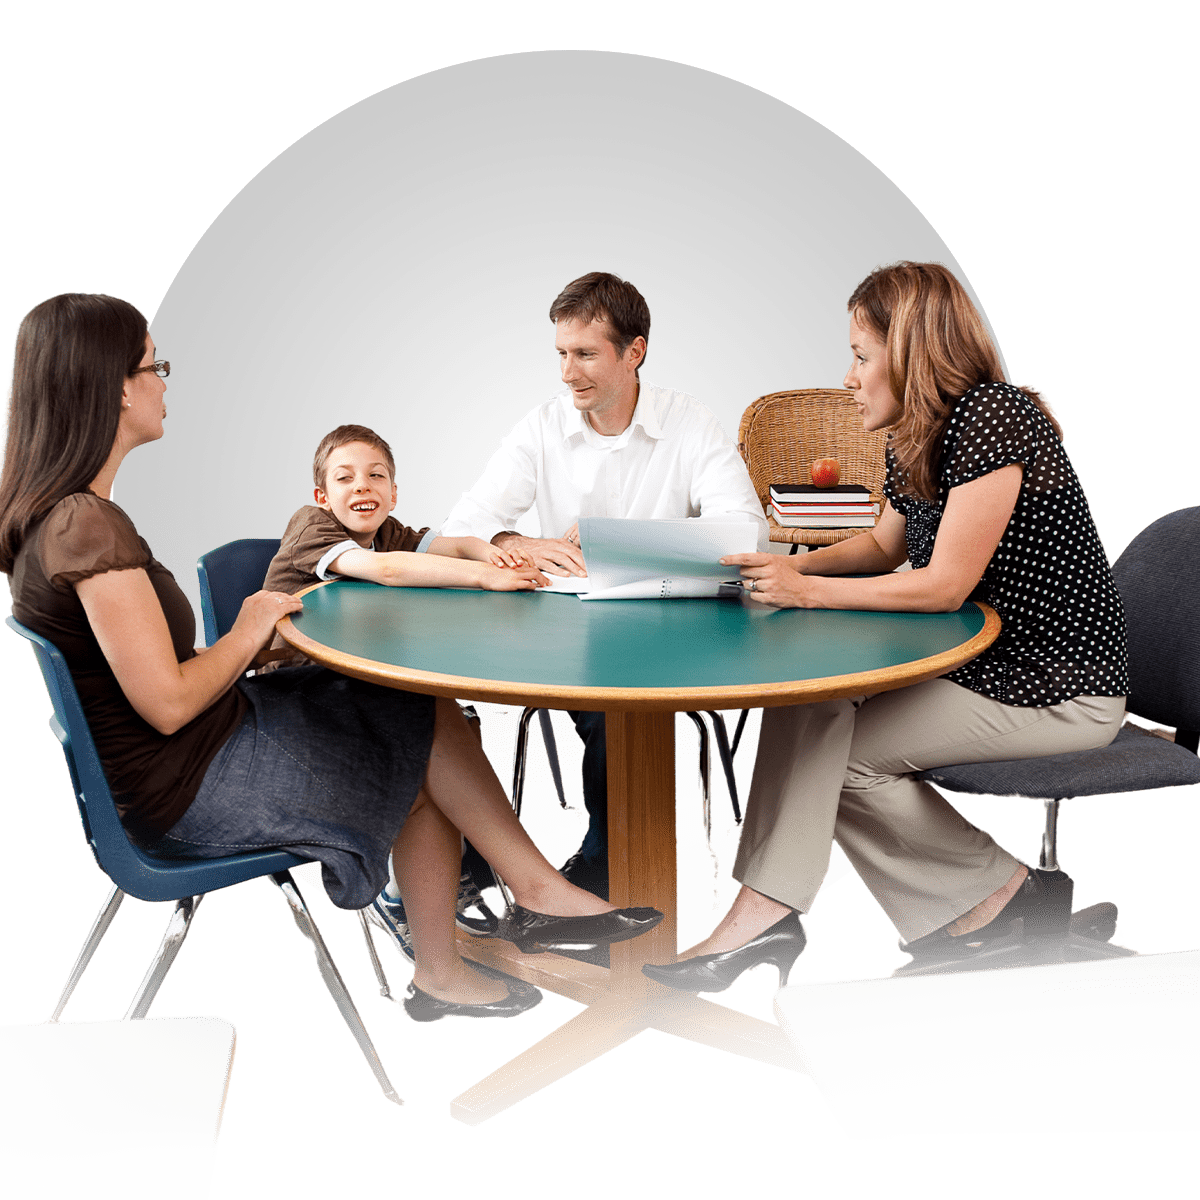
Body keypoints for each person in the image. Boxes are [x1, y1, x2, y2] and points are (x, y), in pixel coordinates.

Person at [0, 293, 661, 1023]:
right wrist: (250, 627)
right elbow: (167, 702)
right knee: (414, 736)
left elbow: (142, 673)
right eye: (154, 364)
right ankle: (514, 910)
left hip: (183, 757)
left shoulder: (67, 517)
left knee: (414, 707)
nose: (163, 380)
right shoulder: (86, 528)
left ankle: (505, 915)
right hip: (185, 787)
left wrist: (487, 551)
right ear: (113, 386)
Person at [642, 261, 1129, 991]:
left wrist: (805, 595)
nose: (848, 376)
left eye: (862, 355)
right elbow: (882, 546)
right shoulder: (919, 432)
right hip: (985, 668)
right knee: (812, 703)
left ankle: (793, 913)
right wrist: (785, 570)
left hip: (1056, 687)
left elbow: (942, 586)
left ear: (910, 352)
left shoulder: (998, 416)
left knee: (840, 761)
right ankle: (1000, 899)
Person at [439, 271, 768, 902]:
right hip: (570, 637)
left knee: (616, 706)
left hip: (675, 635)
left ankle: (601, 871)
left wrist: (618, 541)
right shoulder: (540, 427)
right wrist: (509, 543)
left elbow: (744, 535)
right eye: (561, 354)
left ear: (634, 352)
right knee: (592, 704)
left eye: (585, 353)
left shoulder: (689, 422)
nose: (567, 373)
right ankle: (579, 867)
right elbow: (460, 528)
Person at [261, 421, 548, 947]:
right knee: (430, 732)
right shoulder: (312, 529)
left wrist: (487, 554)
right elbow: (387, 570)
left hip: (362, 685)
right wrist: (484, 578)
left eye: (376, 476)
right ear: (323, 497)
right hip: (298, 701)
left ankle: (449, 876)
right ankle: (404, 892)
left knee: (456, 721)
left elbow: (447, 544)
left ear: (394, 493)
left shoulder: (390, 530)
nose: (362, 487)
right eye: (345, 479)